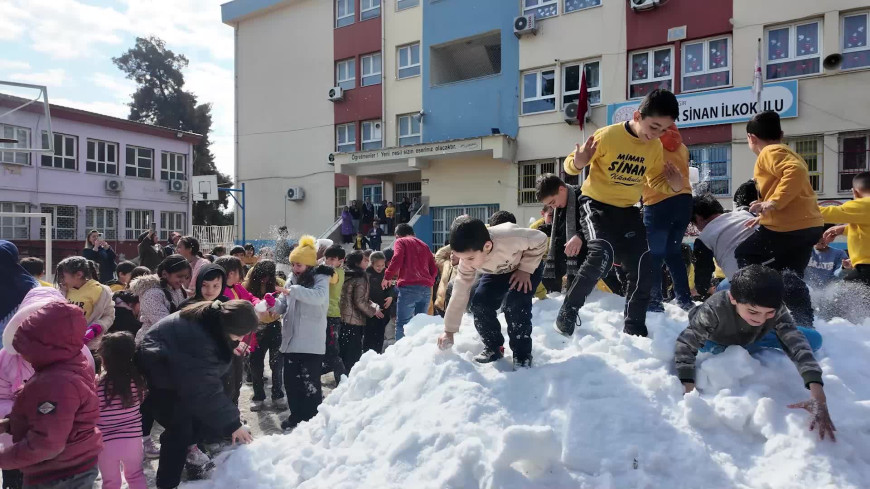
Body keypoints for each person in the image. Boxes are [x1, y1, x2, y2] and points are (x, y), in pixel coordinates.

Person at [545, 90, 685, 338]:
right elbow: (570, 165)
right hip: (596, 205)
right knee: (602, 253)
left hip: (629, 211)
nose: (656, 134)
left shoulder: (654, 147)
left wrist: (673, 185)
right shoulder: (608, 136)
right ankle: (568, 310)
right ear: (637, 115)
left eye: (663, 130)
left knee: (643, 263)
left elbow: (654, 181)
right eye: (653, 126)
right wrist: (579, 162)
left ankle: (634, 326)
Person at [674, 265, 834, 441]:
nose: (760, 318)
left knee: (814, 340)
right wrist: (688, 386)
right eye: (753, 311)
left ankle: (751, 338)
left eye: (769, 313)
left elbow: (796, 343)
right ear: (734, 299)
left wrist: (817, 391)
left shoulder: (774, 310)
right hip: (717, 338)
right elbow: (685, 344)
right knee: (715, 349)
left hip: (756, 337)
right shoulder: (715, 309)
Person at [136, 300, 256, 489]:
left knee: (195, 418)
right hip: (159, 377)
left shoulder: (214, 319)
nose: (241, 338)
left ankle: (191, 449)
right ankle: (168, 484)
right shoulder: (201, 340)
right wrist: (233, 424)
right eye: (240, 333)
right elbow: (203, 388)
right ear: (228, 326)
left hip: (171, 369)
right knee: (179, 430)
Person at [0, 301, 102, 489]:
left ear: (44, 347)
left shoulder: (56, 383)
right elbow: (55, 419)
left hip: (58, 474)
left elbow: (47, 443)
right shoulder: (72, 360)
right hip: (73, 464)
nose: (22, 356)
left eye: (25, 350)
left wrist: (4, 459)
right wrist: (11, 424)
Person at [735, 111, 824, 321]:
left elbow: (795, 172)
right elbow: (793, 185)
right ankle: (804, 322)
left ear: (751, 138)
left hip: (787, 228)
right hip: (808, 227)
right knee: (789, 274)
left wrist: (773, 202)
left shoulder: (769, 152)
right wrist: (765, 213)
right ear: (781, 134)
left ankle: (754, 309)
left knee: (746, 253)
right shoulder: (788, 151)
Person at [437, 217, 547, 369]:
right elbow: (459, 293)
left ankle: (522, 355)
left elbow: (541, 239)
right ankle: (494, 347)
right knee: (480, 303)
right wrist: (449, 331)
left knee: (515, 304)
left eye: (470, 258)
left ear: (487, 246)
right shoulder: (467, 262)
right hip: (497, 272)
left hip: (526, 267)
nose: (466, 263)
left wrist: (525, 269)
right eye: (462, 259)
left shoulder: (509, 237)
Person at [264, 236, 333, 432]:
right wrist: (273, 305)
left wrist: (292, 291)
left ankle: (311, 419)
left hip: (311, 342)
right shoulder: (291, 279)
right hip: (291, 340)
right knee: (292, 383)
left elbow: (318, 297)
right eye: (293, 264)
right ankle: (296, 416)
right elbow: (284, 304)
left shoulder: (321, 278)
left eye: (299, 264)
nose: (294, 268)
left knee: (310, 383)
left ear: (309, 264)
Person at [642, 124, 694, 312]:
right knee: (673, 252)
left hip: (658, 201)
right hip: (684, 201)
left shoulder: (650, 144)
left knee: (653, 254)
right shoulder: (683, 147)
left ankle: (654, 302)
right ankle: (684, 300)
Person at [96, 332, 147, 489]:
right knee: (135, 475)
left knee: (110, 482)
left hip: (106, 444)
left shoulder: (98, 385)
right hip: (133, 440)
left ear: (104, 359)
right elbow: (141, 399)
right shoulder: (138, 382)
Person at [691, 194, 757, 297]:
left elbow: (703, 276)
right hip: (775, 268)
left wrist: (700, 290)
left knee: (720, 293)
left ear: (698, 218)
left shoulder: (704, 238)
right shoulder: (746, 214)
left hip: (746, 284)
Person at [241, 260, 286, 412]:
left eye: (268, 276)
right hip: (255, 329)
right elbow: (242, 303)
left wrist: (278, 308)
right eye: (262, 276)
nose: (265, 279)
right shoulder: (247, 285)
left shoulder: (279, 283)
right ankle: (258, 396)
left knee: (277, 363)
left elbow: (286, 302)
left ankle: (278, 395)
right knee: (255, 364)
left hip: (274, 327)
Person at [382, 224, 438, 340]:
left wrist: (387, 276)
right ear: (414, 234)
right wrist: (429, 281)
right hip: (426, 289)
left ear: (397, 236)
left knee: (403, 323)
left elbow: (397, 258)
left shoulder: (401, 242)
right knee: (420, 324)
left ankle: (401, 355)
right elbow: (434, 268)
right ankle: (417, 351)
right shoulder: (424, 245)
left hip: (408, 288)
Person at [818, 171, 870, 287]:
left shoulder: (862, 204)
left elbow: (827, 213)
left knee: (840, 296)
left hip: (866, 268)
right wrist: (844, 229)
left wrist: (800, 205)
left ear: (855, 192)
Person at [55, 256, 115, 350]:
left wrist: (96, 328)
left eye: (64, 276)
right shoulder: (62, 291)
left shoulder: (100, 290)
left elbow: (109, 316)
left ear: (79, 274)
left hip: (89, 346)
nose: (62, 280)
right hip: (64, 345)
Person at [128, 255, 190, 342]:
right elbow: (165, 324)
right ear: (165, 274)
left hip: (171, 341)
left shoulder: (177, 289)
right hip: (152, 343)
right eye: (179, 276)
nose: (183, 280)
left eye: (186, 277)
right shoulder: (152, 293)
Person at [339, 251, 380, 373]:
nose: (367, 263)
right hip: (354, 319)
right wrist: (373, 311)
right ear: (357, 262)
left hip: (341, 318)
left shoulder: (343, 273)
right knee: (353, 355)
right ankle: (348, 381)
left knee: (343, 352)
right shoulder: (360, 277)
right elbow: (360, 301)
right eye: (365, 260)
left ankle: (341, 378)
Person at [323, 245, 347, 384]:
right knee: (327, 348)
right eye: (327, 259)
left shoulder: (336, 273)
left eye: (332, 259)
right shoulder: (337, 270)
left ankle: (342, 380)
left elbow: (329, 277)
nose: (328, 262)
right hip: (327, 314)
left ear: (341, 261)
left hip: (332, 315)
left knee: (332, 350)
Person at [365, 252, 393, 354]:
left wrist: (391, 296)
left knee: (380, 334)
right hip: (371, 311)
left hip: (384, 309)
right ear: (371, 263)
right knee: (369, 335)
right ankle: (368, 354)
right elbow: (364, 294)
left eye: (382, 265)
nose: (380, 268)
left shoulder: (386, 273)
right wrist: (373, 307)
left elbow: (390, 287)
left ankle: (378, 353)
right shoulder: (366, 274)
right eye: (378, 266)